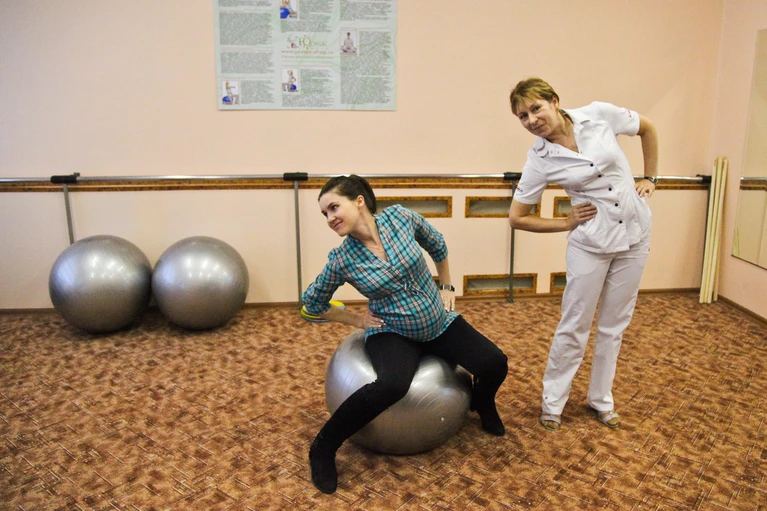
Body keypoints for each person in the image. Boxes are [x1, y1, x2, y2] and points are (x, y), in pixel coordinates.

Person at [303, 175, 509, 494]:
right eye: (324, 214)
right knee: (391, 386)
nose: (329, 218)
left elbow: (436, 243)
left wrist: (447, 285)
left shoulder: (399, 218)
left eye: (333, 207)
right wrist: (357, 320)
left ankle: (482, 403)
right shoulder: (343, 259)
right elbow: (312, 303)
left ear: (359, 201)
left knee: (495, 363)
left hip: (438, 322)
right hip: (392, 331)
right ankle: (323, 447)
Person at [507, 77, 659, 432]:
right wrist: (565, 222)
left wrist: (651, 178)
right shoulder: (539, 159)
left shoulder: (598, 115)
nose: (531, 120)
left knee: (614, 325)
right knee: (574, 325)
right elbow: (517, 217)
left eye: (535, 108)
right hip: (590, 244)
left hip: (635, 234)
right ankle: (553, 403)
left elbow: (648, 128)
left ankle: (601, 400)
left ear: (554, 101)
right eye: (522, 116)